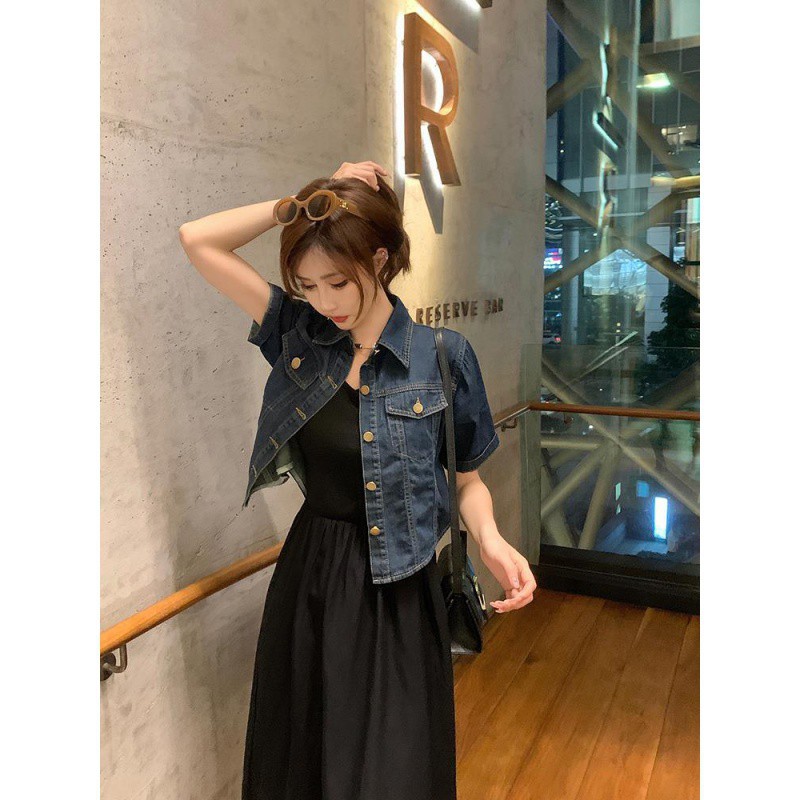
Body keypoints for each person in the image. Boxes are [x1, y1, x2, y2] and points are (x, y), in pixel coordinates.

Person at [179, 160, 537, 800]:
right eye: (307, 285)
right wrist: (300, 202)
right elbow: (198, 240)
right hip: (313, 579)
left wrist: (489, 538)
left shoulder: (442, 356)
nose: (324, 302)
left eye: (338, 282)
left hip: (401, 589)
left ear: (379, 259)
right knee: (305, 760)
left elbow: (467, 480)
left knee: (392, 771)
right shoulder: (299, 338)